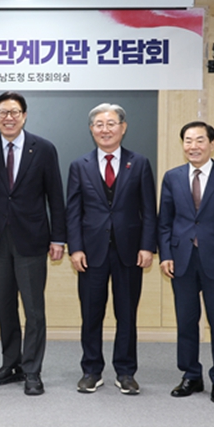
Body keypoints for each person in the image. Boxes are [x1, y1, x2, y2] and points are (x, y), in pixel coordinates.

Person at [0, 91, 66, 396]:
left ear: (24, 116)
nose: (8, 117)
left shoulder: (44, 149)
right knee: (5, 306)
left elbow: (56, 196)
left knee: (34, 309)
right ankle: (10, 364)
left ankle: (32, 370)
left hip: (33, 239)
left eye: (14, 112)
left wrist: (58, 237)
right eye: (2, 112)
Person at [66, 103, 156, 395]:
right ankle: (91, 370)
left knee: (126, 314)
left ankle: (126, 372)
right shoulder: (79, 165)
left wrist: (148, 246)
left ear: (123, 127)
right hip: (90, 252)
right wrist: (75, 248)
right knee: (91, 313)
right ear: (91, 129)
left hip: (129, 251)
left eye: (111, 123)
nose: (105, 129)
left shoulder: (139, 163)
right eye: (99, 124)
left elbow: (149, 209)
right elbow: (73, 212)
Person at [158, 121, 214, 404]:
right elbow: (164, 222)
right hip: (181, 260)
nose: (193, 146)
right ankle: (191, 375)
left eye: (199, 140)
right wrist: (166, 255)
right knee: (186, 322)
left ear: (211, 144)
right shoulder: (172, 177)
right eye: (188, 140)